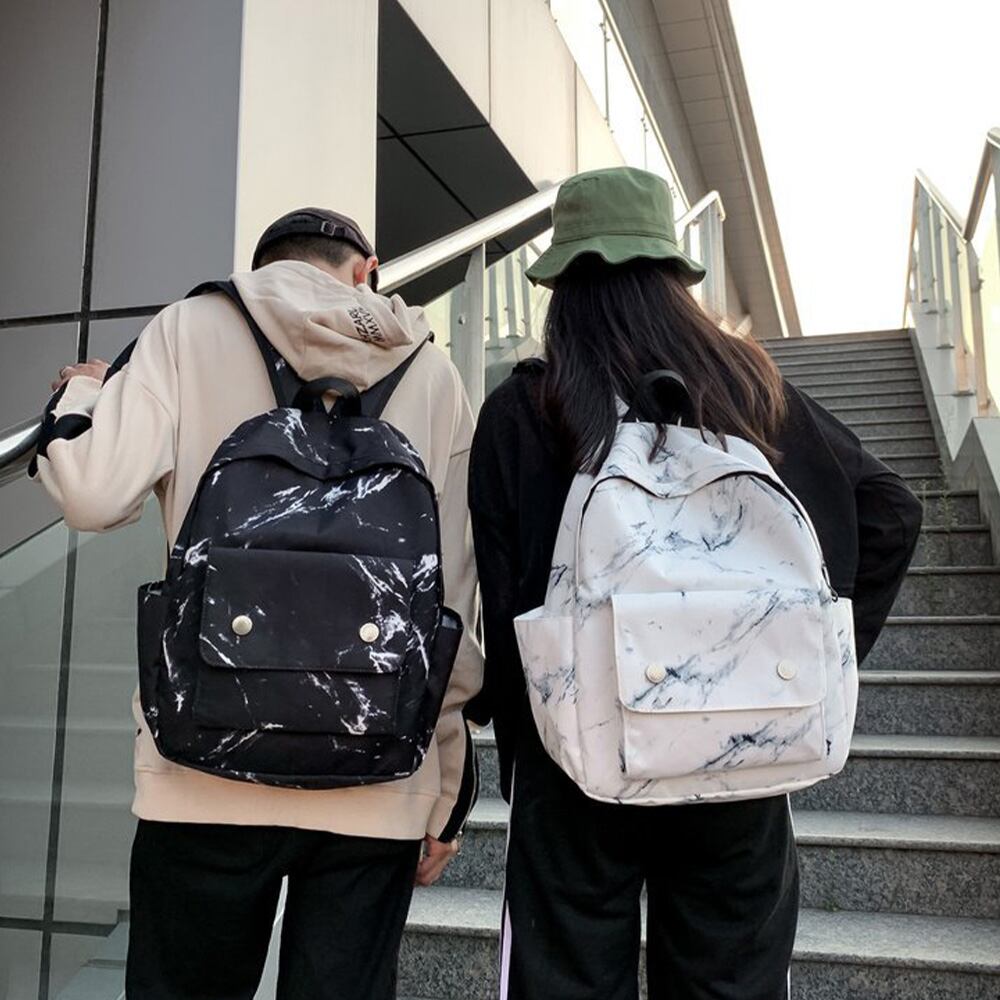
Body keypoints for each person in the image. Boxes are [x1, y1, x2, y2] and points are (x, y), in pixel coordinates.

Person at [468, 167, 922, 1000]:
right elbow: (891, 511)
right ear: (677, 278)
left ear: (562, 288)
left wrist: (514, 727)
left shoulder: (527, 407)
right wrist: (807, 651)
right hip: (737, 743)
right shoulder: (750, 391)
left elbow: (503, 595)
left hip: (573, 758)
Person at [32, 208, 483, 1000]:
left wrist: (87, 393)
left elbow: (94, 495)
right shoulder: (433, 371)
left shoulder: (190, 328)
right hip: (375, 772)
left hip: (203, 764)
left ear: (261, 267)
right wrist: (443, 791)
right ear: (366, 271)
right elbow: (446, 604)